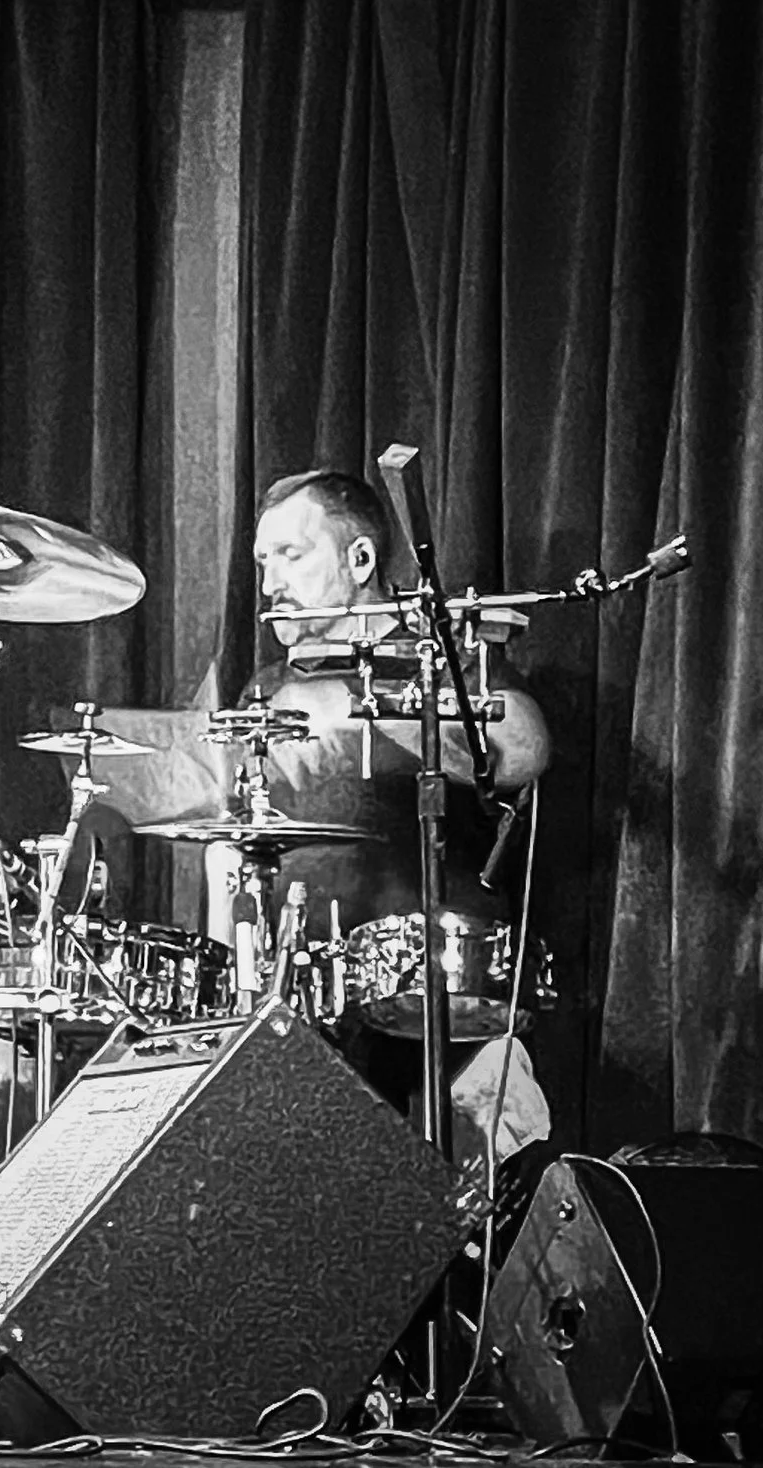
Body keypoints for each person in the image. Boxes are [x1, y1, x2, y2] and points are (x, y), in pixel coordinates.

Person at [240, 468, 553, 1163]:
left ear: (359, 560)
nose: (270, 585)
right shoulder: (269, 687)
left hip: (446, 1003)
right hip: (309, 1005)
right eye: (262, 563)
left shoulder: (447, 656)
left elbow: (524, 748)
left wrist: (363, 717)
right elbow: (232, 844)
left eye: (291, 555)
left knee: (473, 1231)